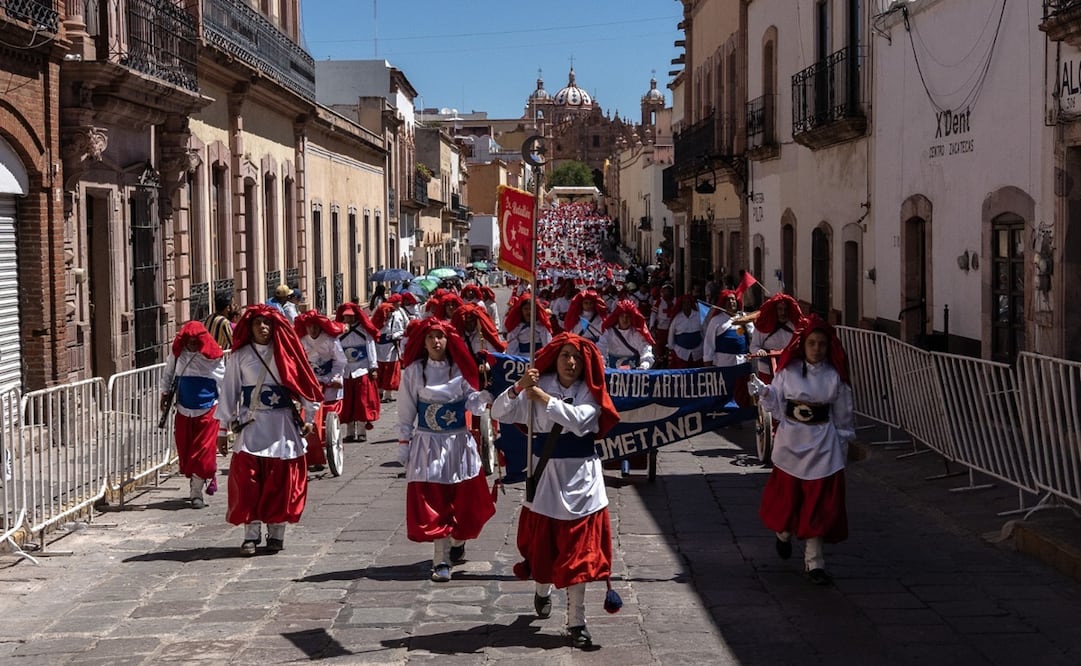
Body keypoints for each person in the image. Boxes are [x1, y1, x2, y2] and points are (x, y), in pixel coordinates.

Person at [490, 332, 621, 650]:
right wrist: (519, 387)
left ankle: (577, 621)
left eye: (576, 357)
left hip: (583, 482)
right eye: (564, 355)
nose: (571, 362)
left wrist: (544, 399)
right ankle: (542, 587)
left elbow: (580, 421)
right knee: (543, 548)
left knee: (581, 555)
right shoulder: (537, 384)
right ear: (555, 359)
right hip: (545, 478)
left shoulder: (589, 391)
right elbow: (499, 413)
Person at [751, 315, 855, 585]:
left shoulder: (834, 377)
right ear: (803, 345)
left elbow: (843, 416)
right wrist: (765, 393)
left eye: (822, 344)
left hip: (822, 446)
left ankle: (814, 563)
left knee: (818, 504)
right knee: (789, 501)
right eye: (812, 343)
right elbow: (777, 405)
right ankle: (783, 534)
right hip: (791, 445)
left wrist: (842, 446)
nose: (817, 349)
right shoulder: (789, 372)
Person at [396, 317, 497, 583]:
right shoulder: (414, 372)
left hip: (458, 443)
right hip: (428, 444)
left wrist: (484, 395)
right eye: (431, 337)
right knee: (435, 500)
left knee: (465, 499)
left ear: (448, 339)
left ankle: (457, 540)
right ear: (423, 342)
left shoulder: (460, 369)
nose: (436, 341)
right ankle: (440, 559)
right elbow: (406, 411)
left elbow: (472, 402)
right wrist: (404, 443)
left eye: (440, 336)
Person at [218, 305, 323, 555]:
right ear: (250, 327)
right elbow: (229, 393)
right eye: (257, 323)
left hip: (282, 427)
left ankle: (276, 534)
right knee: (247, 484)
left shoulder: (287, 352)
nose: (262, 327)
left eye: (267, 323)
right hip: (252, 427)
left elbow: (305, 383)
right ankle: (250, 536)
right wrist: (222, 430)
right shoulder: (240, 356)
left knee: (280, 484)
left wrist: (309, 416)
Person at [160, 321, 225, 509]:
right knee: (186, 451)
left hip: (208, 410)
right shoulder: (178, 354)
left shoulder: (214, 357)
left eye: (196, 339)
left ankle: (196, 493)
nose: (193, 343)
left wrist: (227, 412)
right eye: (189, 339)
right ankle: (197, 479)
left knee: (204, 453)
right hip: (183, 410)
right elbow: (169, 373)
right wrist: (164, 393)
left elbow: (224, 383)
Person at [295, 310, 347, 472]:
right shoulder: (301, 341)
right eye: (309, 327)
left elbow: (340, 361)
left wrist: (334, 378)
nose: (313, 330)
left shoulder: (331, 341)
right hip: (311, 382)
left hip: (329, 381)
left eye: (316, 327)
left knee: (327, 414)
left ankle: (324, 444)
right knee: (306, 412)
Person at [334, 302, 380, 442]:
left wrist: (373, 366)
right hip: (345, 371)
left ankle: (361, 432)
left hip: (362, 369)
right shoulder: (339, 331)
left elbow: (370, 346)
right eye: (346, 316)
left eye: (351, 316)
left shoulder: (363, 330)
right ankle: (349, 432)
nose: (348, 319)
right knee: (347, 403)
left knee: (362, 402)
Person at [750, 293, 806, 380]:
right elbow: (753, 346)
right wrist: (759, 351)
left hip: (790, 370)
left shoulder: (795, 326)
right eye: (780, 309)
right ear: (774, 309)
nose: (783, 312)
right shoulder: (763, 325)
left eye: (785, 309)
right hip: (767, 370)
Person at [597, 299, 655, 370]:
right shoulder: (609, 332)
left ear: (632, 318)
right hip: (613, 370)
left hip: (634, 371)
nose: (625, 319)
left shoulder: (637, 333)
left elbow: (645, 349)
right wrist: (601, 363)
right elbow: (601, 349)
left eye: (628, 316)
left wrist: (645, 364)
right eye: (622, 316)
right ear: (617, 318)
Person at [373, 294, 409, 403]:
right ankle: (379, 392)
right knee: (380, 371)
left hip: (391, 347)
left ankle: (388, 394)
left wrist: (396, 335)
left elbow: (403, 328)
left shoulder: (398, 315)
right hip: (379, 348)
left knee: (390, 371)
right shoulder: (378, 318)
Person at [667, 294, 704, 369]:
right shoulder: (677, 318)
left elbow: (705, 332)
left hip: (698, 352)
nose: (686, 305)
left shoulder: (698, 316)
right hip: (681, 353)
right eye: (684, 303)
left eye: (688, 302)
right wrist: (673, 347)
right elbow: (671, 334)